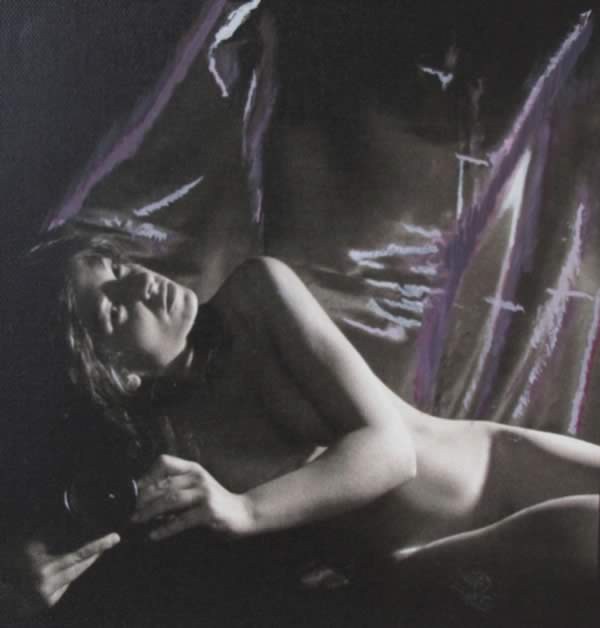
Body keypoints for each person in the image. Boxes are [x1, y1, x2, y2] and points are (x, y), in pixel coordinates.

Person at [46, 231, 600, 601]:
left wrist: (246, 509)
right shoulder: (164, 464)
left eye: (117, 266)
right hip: (432, 563)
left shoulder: (256, 295)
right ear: (114, 375)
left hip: (498, 464)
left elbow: (392, 452)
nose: (141, 282)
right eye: (114, 308)